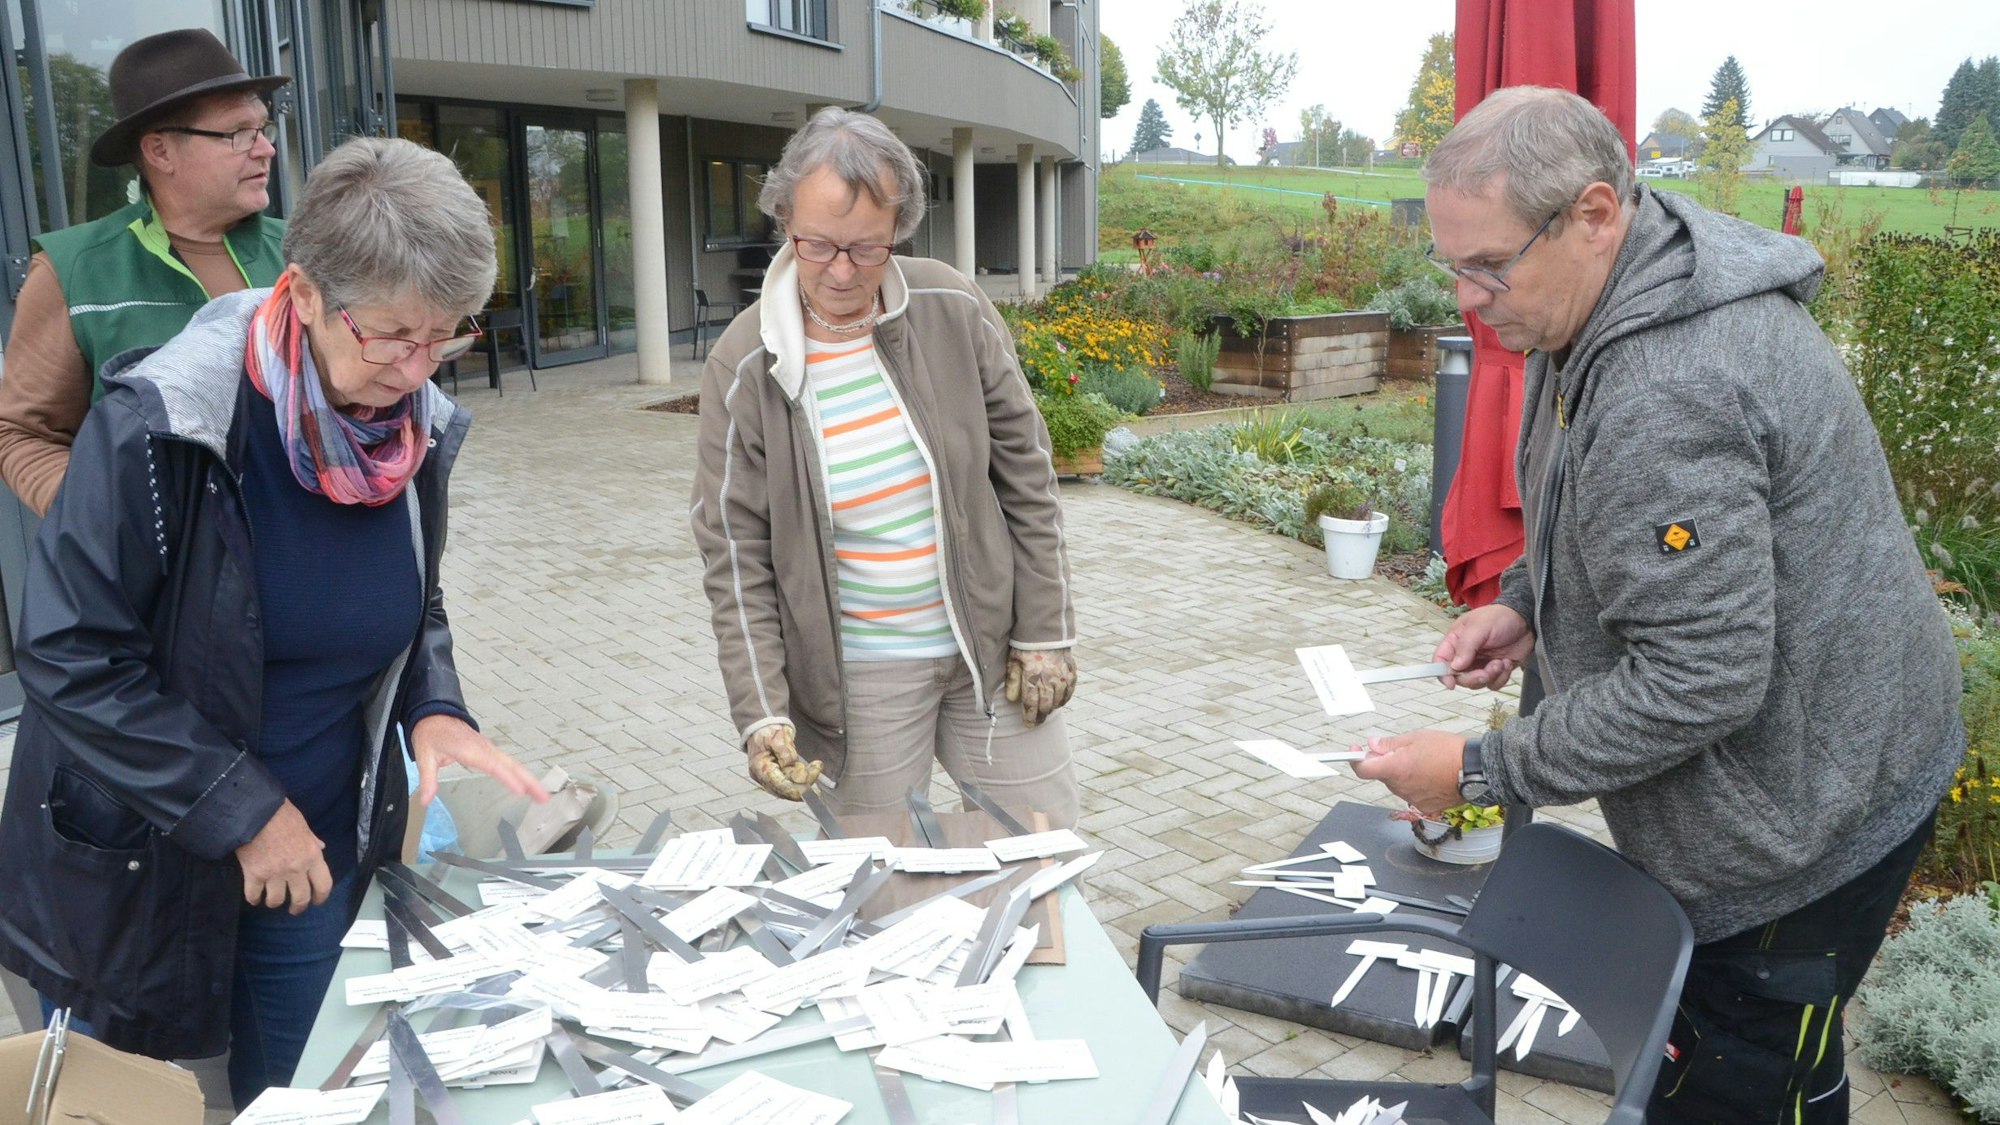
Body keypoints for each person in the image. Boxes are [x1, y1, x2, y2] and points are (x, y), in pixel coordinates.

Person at [1353, 86, 1962, 1124]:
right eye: (1448, 265)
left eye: (1487, 266)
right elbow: (1584, 504)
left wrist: (1476, 770)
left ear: (1593, 213)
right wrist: (1524, 603)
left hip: (1805, 820)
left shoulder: (1665, 386)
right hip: (1816, 758)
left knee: (1734, 1074)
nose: (1465, 299)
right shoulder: (1610, 285)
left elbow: (1700, 678)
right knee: (1765, 1060)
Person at [0, 137, 547, 1111]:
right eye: (391, 336)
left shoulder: (408, 430)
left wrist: (436, 704)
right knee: (128, 1106)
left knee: (312, 1099)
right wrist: (241, 810)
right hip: (134, 865)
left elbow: (413, 597)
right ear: (300, 294)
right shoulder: (162, 420)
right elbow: (68, 653)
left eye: (447, 336)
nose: (420, 370)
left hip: (313, 851)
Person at [690, 107, 1081, 829]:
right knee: (879, 883)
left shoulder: (951, 305)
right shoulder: (743, 363)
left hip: (993, 651)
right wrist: (762, 708)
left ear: (900, 229)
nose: (841, 271)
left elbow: (1027, 472)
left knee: (1040, 852)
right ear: (784, 220)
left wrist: (1047, 628)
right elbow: (733, 552)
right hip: (856, 679)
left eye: (867, 249)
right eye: (819, 245)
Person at [0, 28, 290, 516]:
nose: (265, 150)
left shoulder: (300, 249)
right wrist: (112, 523)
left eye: (264, 129)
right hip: (163, 587)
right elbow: (23, 433)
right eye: (238, 133)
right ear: (160, 152)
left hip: (296, 558)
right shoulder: (74, 269)